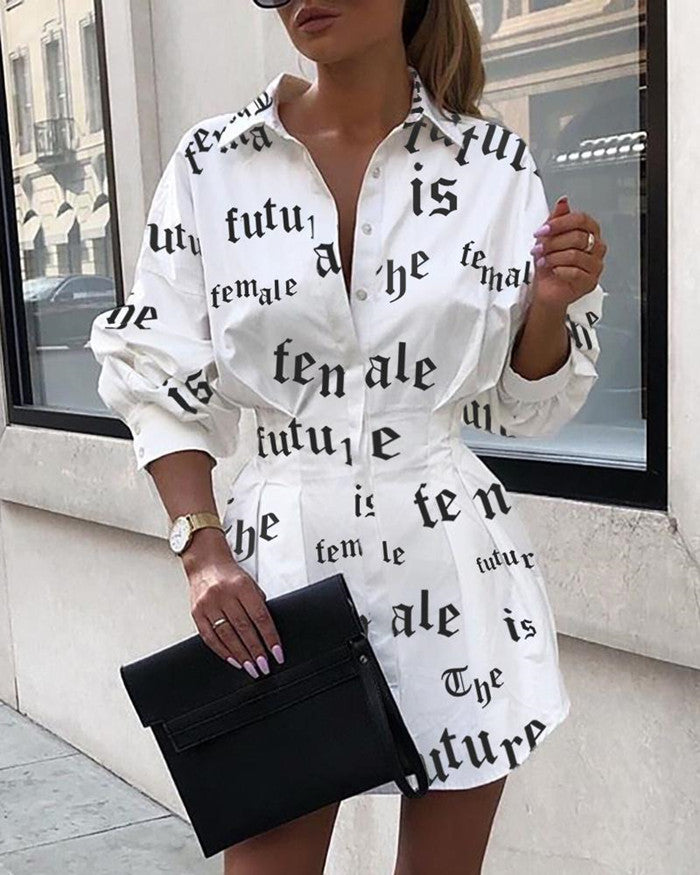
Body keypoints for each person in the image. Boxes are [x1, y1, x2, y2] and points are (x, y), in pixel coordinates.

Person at [89, 1, 607, 872]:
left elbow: (524, 406)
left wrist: (551, 307)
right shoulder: (215, 163)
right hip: (279, 565)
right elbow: (160, 369)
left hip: (450, 560)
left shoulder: (493, 168)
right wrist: (201, 548)